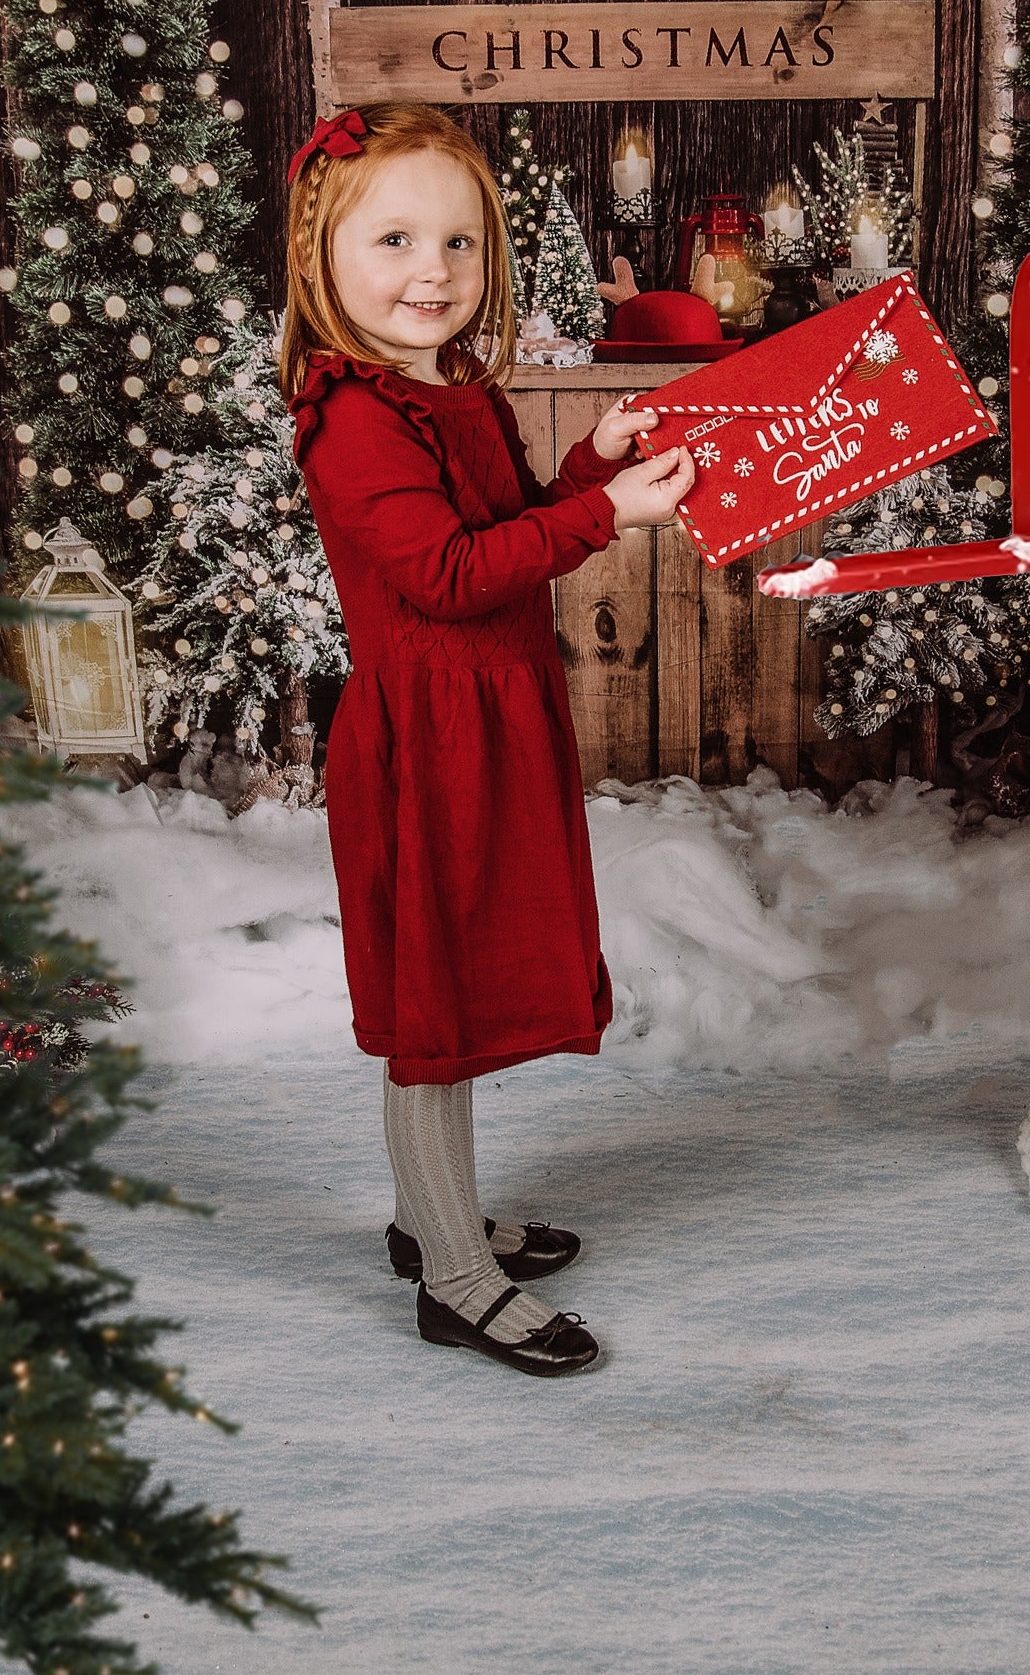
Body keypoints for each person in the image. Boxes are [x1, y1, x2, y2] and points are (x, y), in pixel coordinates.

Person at [280, 103, 694, 1377]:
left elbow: (507, 529)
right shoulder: (353, 418)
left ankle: (431, 1217)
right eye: (395, 238)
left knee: (468, 981)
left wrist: (590, 468)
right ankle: (455, 1277)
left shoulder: (448, 390)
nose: (433, 271)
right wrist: (606, 518)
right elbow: (454, 573)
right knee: (435, 1010)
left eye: (459, 242)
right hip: (426, 742)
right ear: (322, 257)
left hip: (493, 718)